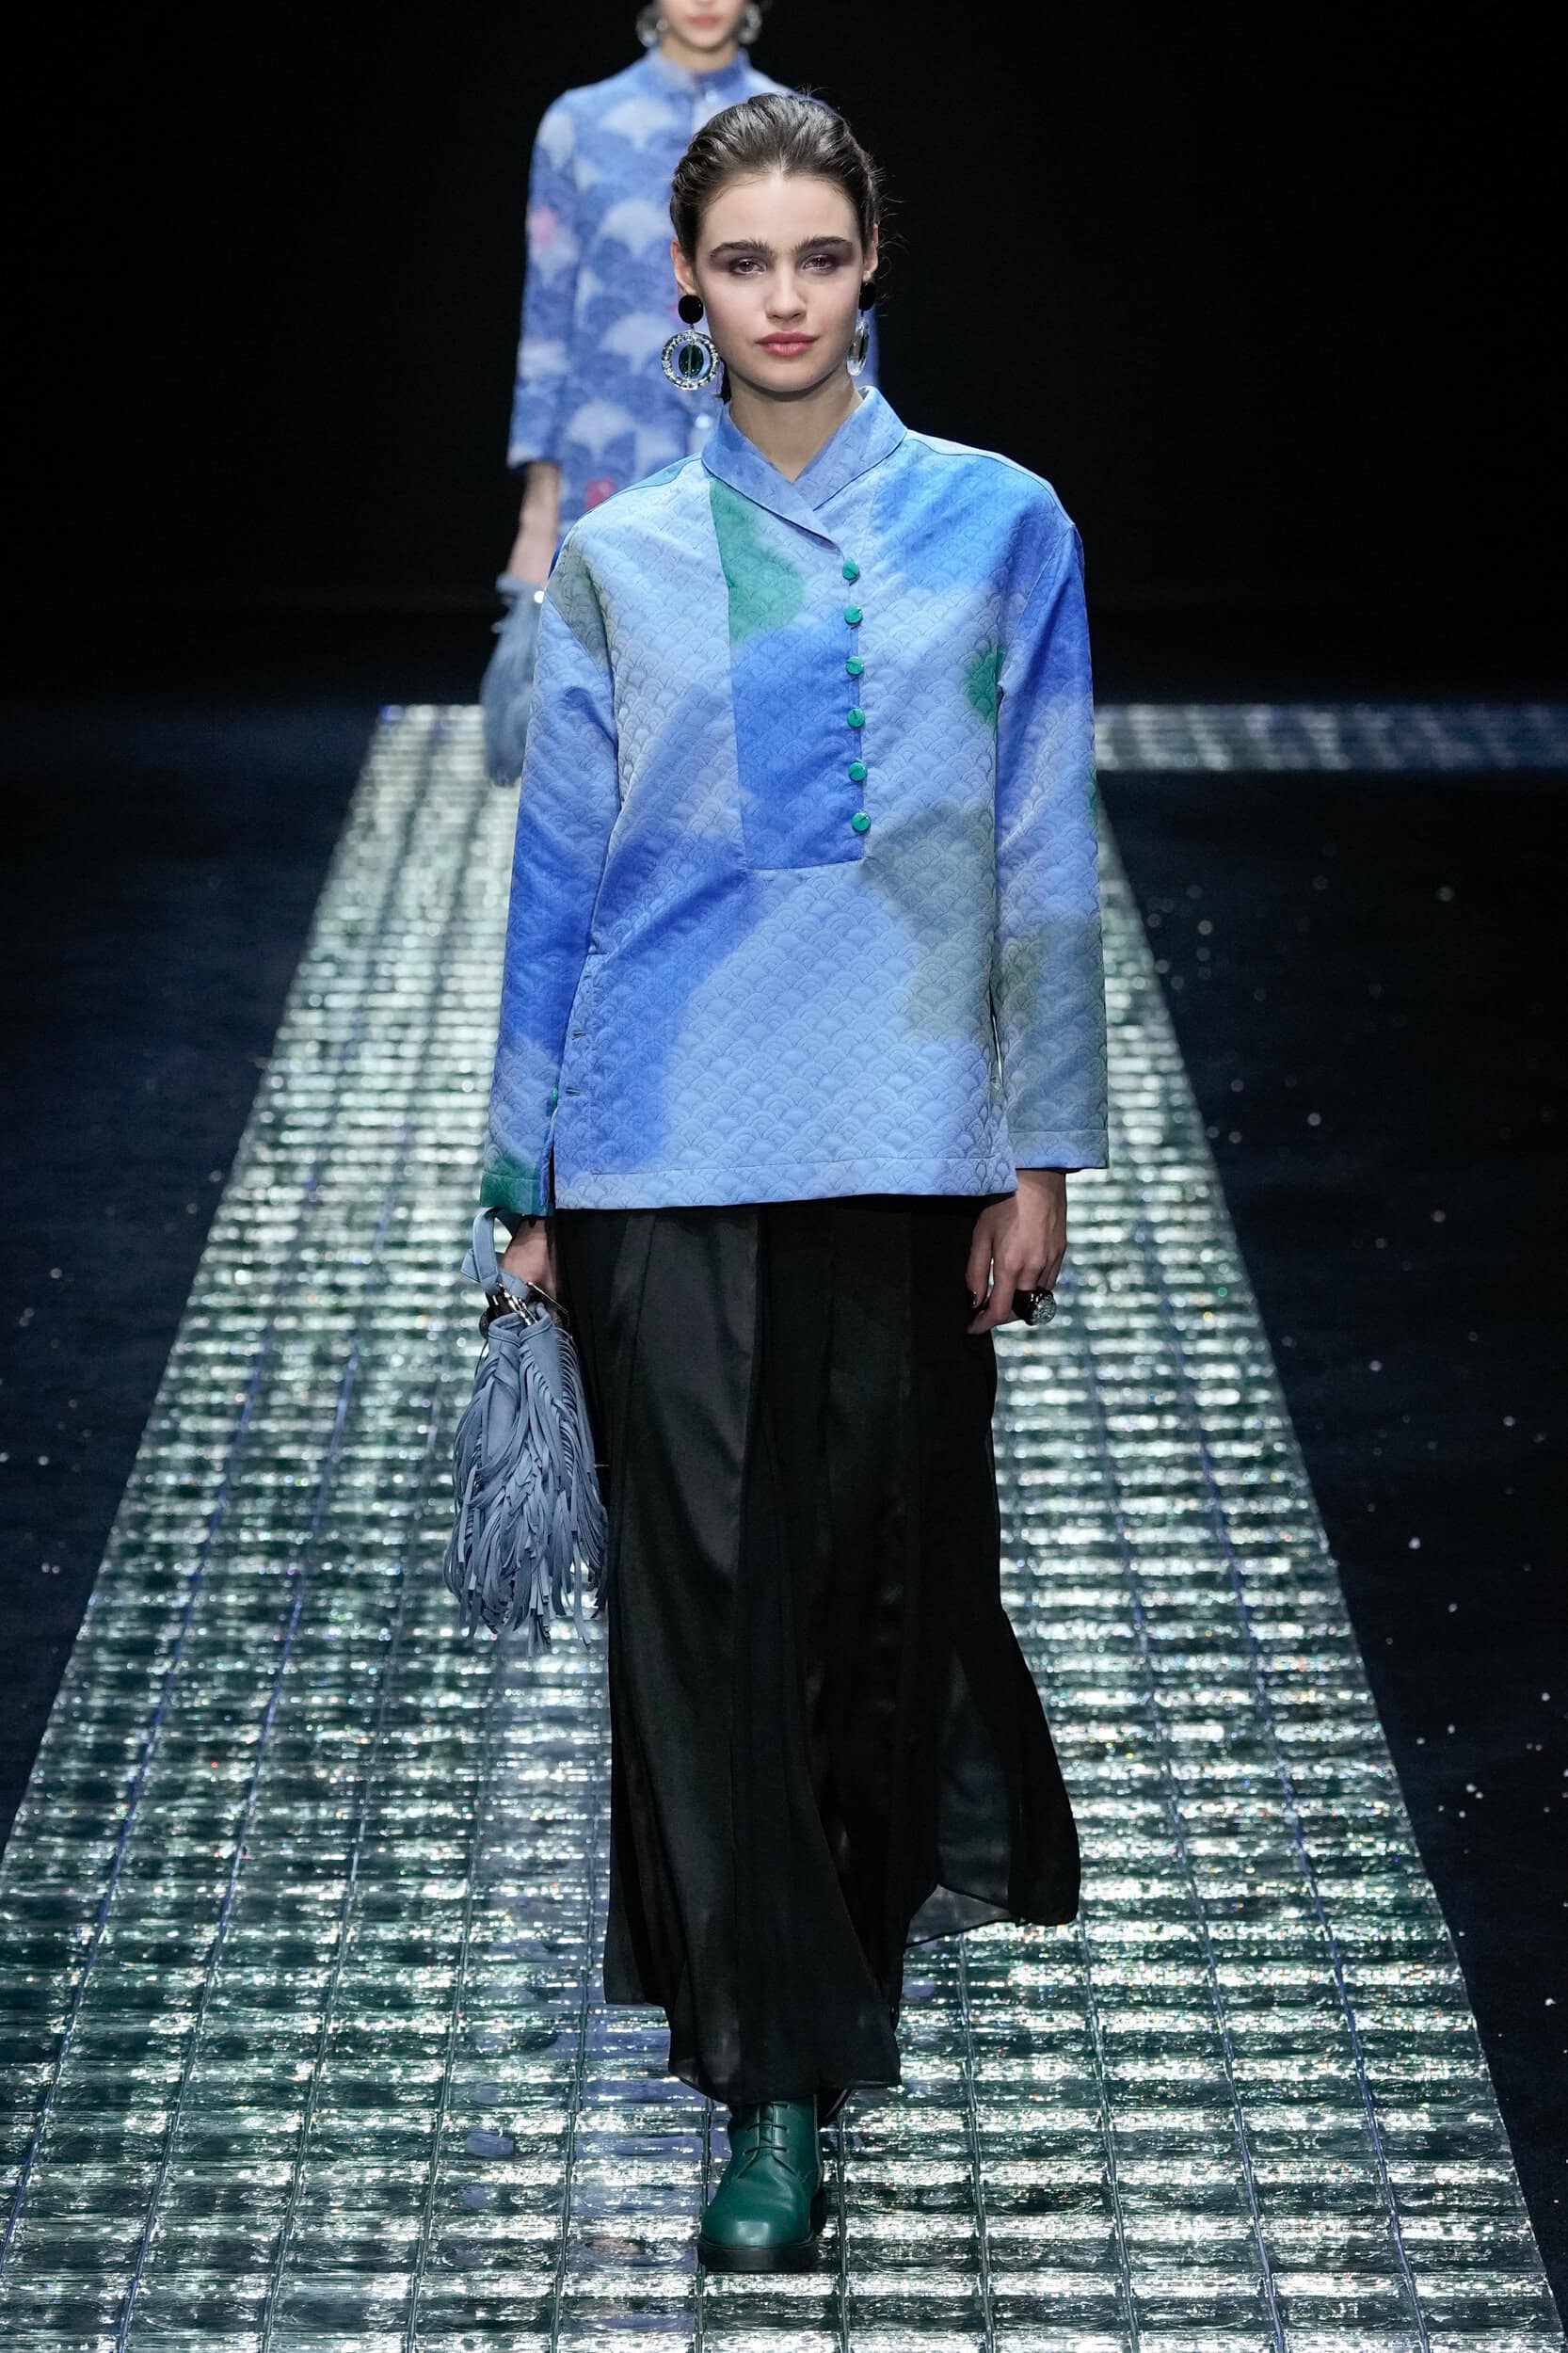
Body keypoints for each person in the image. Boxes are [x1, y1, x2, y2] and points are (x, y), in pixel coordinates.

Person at [479, 92, 1106, 2272]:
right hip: (655, 1141)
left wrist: (1039, 1149)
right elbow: (555, 877)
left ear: (868, 269)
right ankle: (766, 2081)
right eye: (739, 262)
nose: (779, 299)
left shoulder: (1001, 523)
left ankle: (832, 1961)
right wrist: (520, 1175)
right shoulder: (624, 557)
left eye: (814, 259)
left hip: (908, 1138)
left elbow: (1041, 843)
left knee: (863, 1585)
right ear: (684, 279)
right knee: (706, 1610)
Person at [504, 0, 790, 590]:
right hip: (608, 463)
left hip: (770, 458)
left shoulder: (800, 128)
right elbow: (547, 321)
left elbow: (843, 314)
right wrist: (538, 510)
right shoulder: (578, 125)